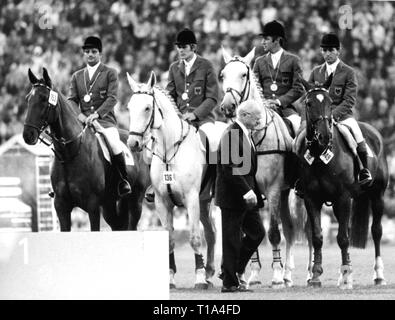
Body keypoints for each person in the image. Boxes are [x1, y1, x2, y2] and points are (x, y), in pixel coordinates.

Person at [145, 28, 219, 202]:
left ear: (193, 47)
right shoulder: (173, 68)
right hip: (179, 121)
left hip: (202, 120)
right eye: (178, 47)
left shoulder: (206, 65)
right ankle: (154, 183)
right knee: (154, 143)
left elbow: (213, 97)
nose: (180, 50)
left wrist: (195, 115)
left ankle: (216, 183)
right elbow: (170, 96)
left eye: (184, 46)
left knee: (213, 141)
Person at [68, 36, 131, 197]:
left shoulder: (110, 73)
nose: (90, 54)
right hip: (83, 124)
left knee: (115, 145)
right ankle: (61, 184)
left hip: (105, 121)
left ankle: (123, 180)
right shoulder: (77, 76)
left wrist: (96, 114)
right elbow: (72, 101)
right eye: (87, 52)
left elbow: (112, 98)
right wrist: (81, 117)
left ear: (100, 54)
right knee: (65, 144)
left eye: (94, 52)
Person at [308, 33, 372, 185]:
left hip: (342, 116)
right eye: (324, 50)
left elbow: (349, 100)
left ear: (338, 51)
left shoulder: (348, 72)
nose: (327, 54)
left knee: (356, 135)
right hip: (318, 117)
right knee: (300, 138)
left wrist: (332, 115)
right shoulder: (316, 72)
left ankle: (363, 170)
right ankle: (299, 176)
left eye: (330, 50)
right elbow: (309, 97)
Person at [215, 100, 265, 293]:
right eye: (256, 116)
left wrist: (255, 193)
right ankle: (229, 283)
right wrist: (247, 190)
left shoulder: (245, 134)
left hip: (246, 196)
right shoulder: (231, 134)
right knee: (231, 239)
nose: (260, 119)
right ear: (244, 116)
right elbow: (230, 168)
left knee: (257, 233)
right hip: (233, 197)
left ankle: (233, 268)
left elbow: (247, 170)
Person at [253, 20, 304, 136]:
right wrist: (264, 102)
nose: (262, 42)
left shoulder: (293, 60)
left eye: (266, 39)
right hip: (263, 108)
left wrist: (278, 101)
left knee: (298, 127)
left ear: (277, 40)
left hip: (285, 109)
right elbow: (255, 87)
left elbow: (298, 88)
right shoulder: (259, 62)